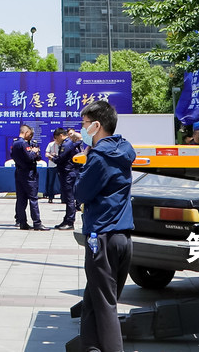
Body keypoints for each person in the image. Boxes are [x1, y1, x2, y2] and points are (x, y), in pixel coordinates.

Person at [76, 99, 135, 352]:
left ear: (96, 125)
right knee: (93, 301)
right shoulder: (124, 150)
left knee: (105, 307)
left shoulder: (99, 157)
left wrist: (87, 158)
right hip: (122, 238)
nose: (82, 129)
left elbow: (81, 192)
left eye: (85, 124)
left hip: (102, 238)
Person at [11, 123, 44, 231]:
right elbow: (30, 157)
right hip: (28, 173)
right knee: (33, 199)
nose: (31, 136)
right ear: (25, 132)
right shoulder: (23, 143)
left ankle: (22, 222)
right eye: (30, 134)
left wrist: (35, 154)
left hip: (19, 172)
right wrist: (34, 152)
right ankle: (37, 223)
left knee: (21, 199)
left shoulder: (15, 143)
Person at [53, 127, 86, 230]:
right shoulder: (69, 143)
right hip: (68, 173)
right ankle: (66, 220)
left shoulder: (66, 144)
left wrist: (53, 158)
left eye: (56, 138)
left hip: (68, 173)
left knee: (69, 198)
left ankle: (70, 222)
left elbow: (61, 158)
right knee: (68, 198)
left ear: (61, 136)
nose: (56, 141)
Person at [44, 128, 62, 202]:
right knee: (51, 182)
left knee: (62, 182)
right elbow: (46, 154)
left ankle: (63, 197)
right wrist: (51, 155)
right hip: (52, 165)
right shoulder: (50, 144)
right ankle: (50, 197)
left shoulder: (62, 145)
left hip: (60, 165)